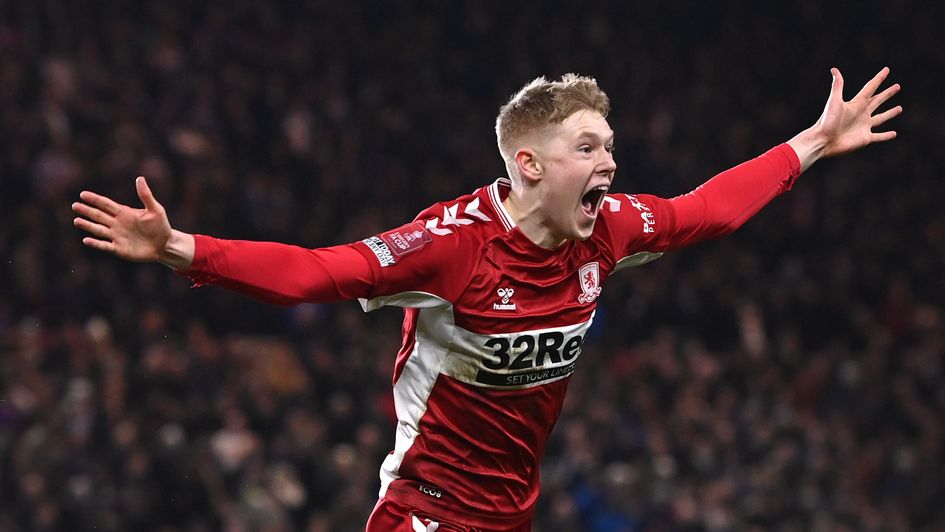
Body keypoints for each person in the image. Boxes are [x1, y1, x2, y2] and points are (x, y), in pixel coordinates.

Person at [73, 68, 901, 531]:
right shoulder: (451, 248)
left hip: (511, 515)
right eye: (588, 147)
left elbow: (705, 210)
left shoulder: (605, 230)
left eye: (609, 145)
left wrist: (814, 141)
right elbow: (314, 273)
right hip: (425, 515)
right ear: (531, 165)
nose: (610, 163)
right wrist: (181, 247)